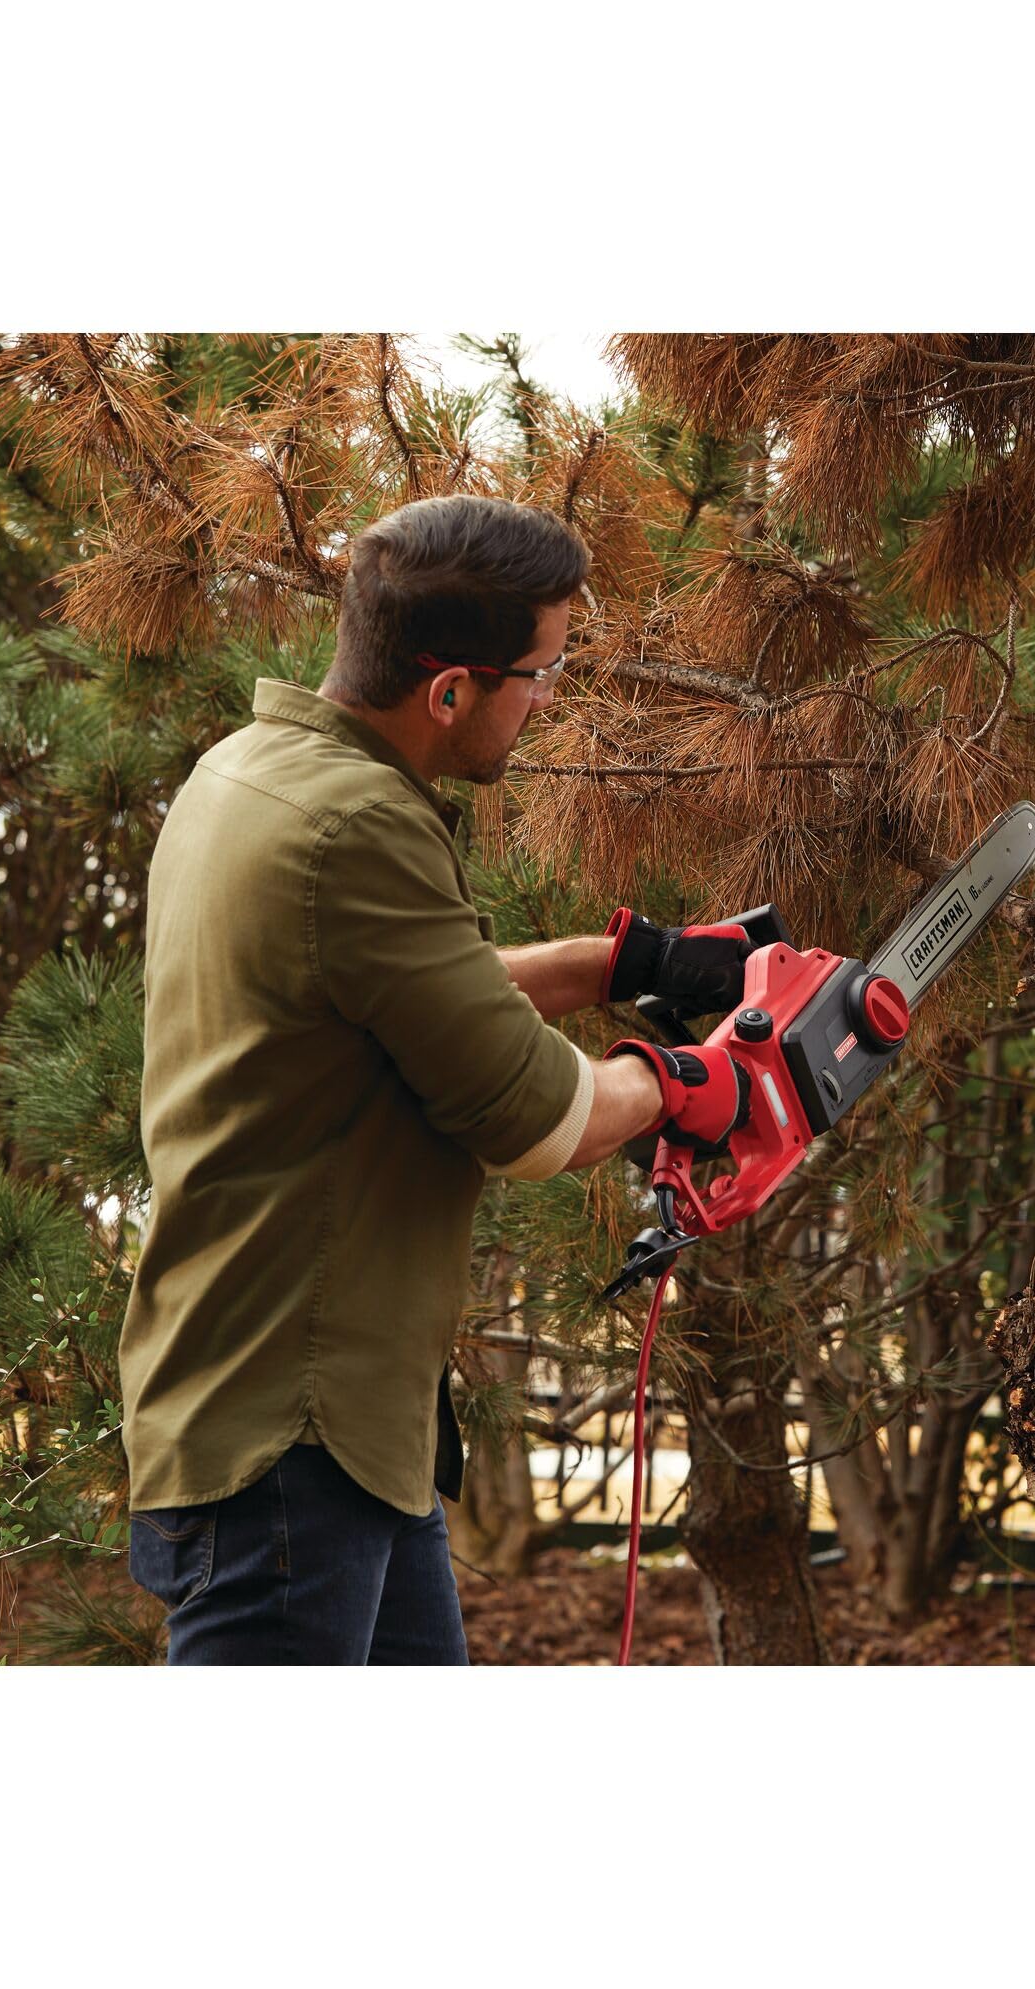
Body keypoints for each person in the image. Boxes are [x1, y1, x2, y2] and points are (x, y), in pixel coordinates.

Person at [119, 494, 752, 1665]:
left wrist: (622, 964)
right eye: (539, 674)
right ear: (449, 690)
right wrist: (694, 1074)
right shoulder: (359, 823)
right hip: (289, 1437)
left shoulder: (250, 773)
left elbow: (395, 989)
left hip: (342, 1426)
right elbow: (539, 1119)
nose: (547, 699)